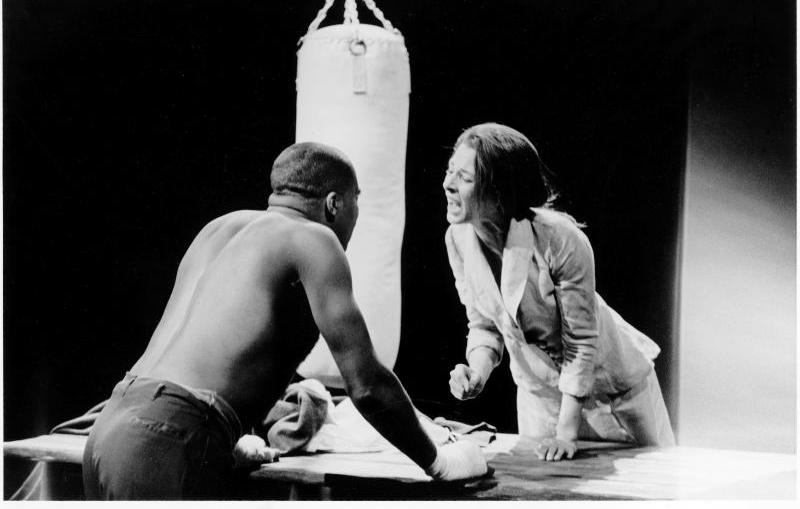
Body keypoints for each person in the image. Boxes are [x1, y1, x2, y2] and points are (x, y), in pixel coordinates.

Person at [83, 142, 487, 500]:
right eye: (355, 204)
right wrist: (440, 462)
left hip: (112, 428)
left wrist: (225, 440)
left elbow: (208, 352)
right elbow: (367, 386)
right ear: (335, 204)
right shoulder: (315, 239)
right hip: (171, 440)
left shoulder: (218, 228)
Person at [442, 123, 675, 462]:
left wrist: (566, 433)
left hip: (610, 392)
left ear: (499, 189)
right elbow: (484, 324)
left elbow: (580, 342)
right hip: (541, 397)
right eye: (450, 171)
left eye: (464, 178)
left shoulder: (560, 238)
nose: (447, 184)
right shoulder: (458, 239)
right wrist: (476, 372)